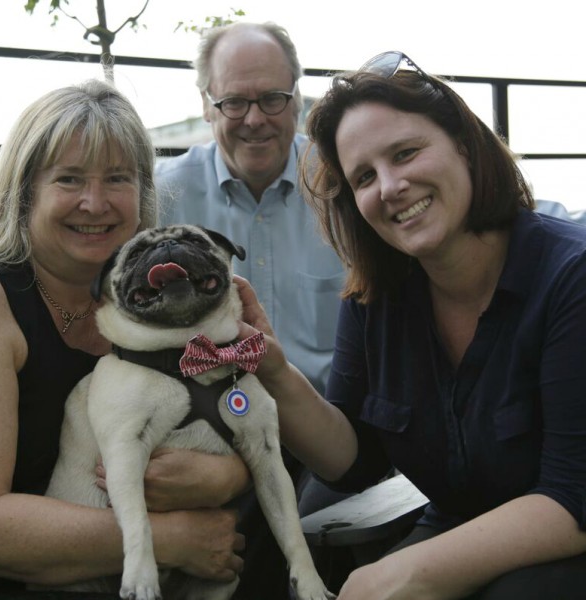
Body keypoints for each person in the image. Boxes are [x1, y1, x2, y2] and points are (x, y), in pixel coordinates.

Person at [233, 51, 586, 599]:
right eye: (365, 176)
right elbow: (352, 463)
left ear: (464, 146)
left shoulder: (570, 277)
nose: (391, 186)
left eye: (406, 153)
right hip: (460, 526)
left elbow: (574, 495)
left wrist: (411, 571)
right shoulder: (376, 296)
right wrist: (275, 370)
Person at [0, 79, 248, 598]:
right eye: (68, 179)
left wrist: (230, 476)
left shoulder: (158, 299)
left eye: (117, 178)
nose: (95, 202)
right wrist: (168, 539)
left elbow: (223, 421)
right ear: (24, 193)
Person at [154, 21, 344, 398]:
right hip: (204, 430)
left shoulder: (346, 187)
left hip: (334, 422)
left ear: (296, 99)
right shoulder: (161, 197)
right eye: (235, 102)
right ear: (207, 106)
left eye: (272, 98)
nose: (255, 119)